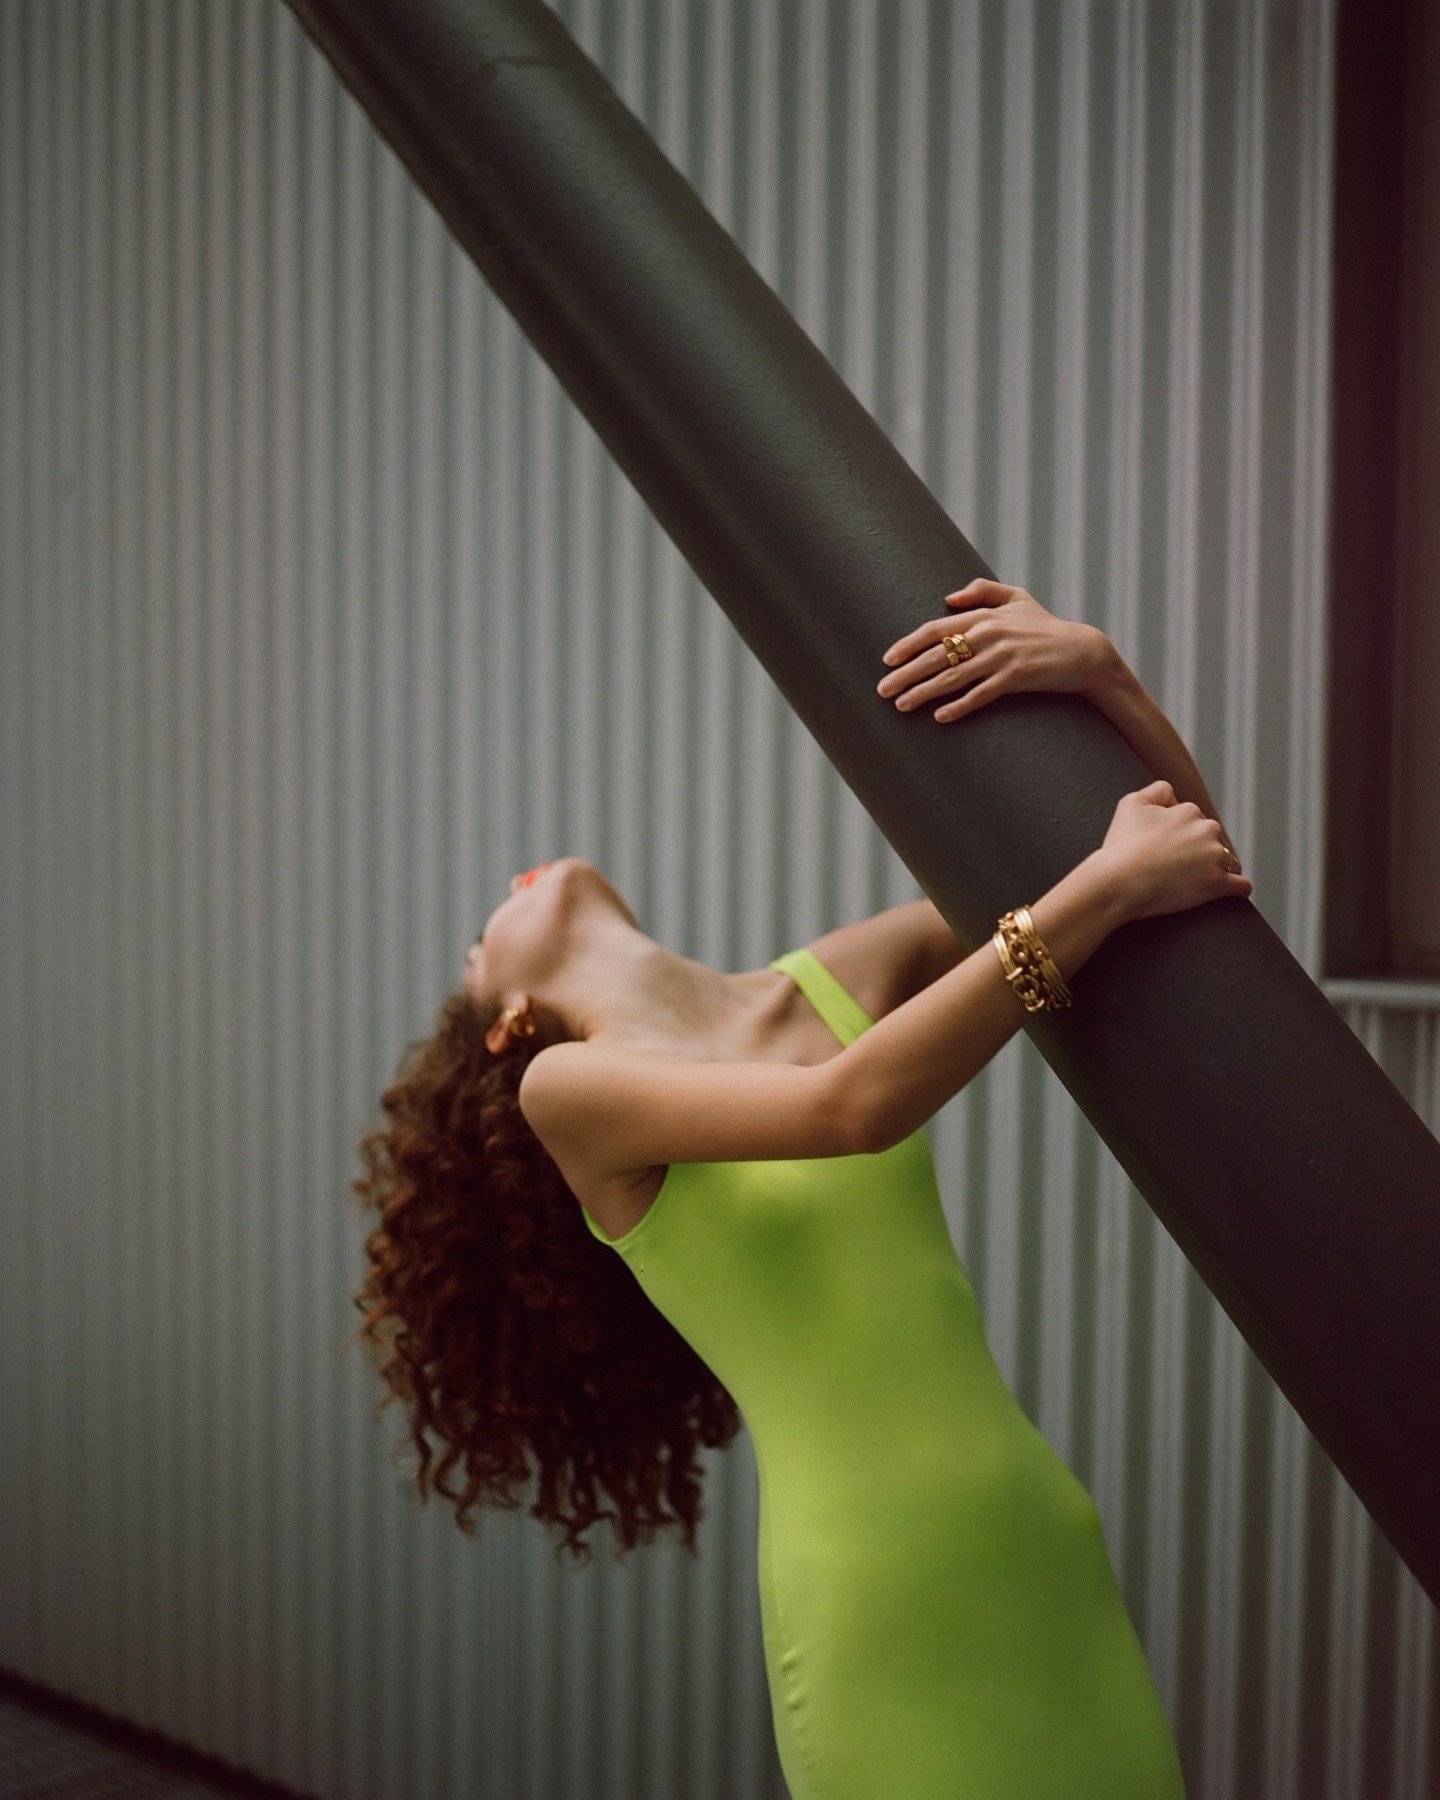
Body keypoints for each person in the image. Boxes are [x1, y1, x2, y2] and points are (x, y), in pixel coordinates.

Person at [350, 581, 1250, 1799]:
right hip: (878, 1604)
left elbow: (1177, 871)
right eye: (474, 945)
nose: (505, 891)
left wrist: (1102, 677)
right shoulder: (567, 1092)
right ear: (508, 1018)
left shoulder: (835, 981)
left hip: (1044, 1541)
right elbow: (854, 1108)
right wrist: (1099, 890)